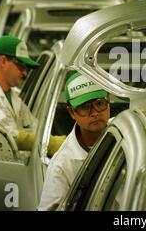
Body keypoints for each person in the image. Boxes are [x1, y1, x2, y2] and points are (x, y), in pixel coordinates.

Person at [38, 73, 110, 211]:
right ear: (71, 112)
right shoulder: (61, 165)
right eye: (84, 107)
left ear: (109, 102)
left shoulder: (127, 137)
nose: (94, 113)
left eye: (99, 103)